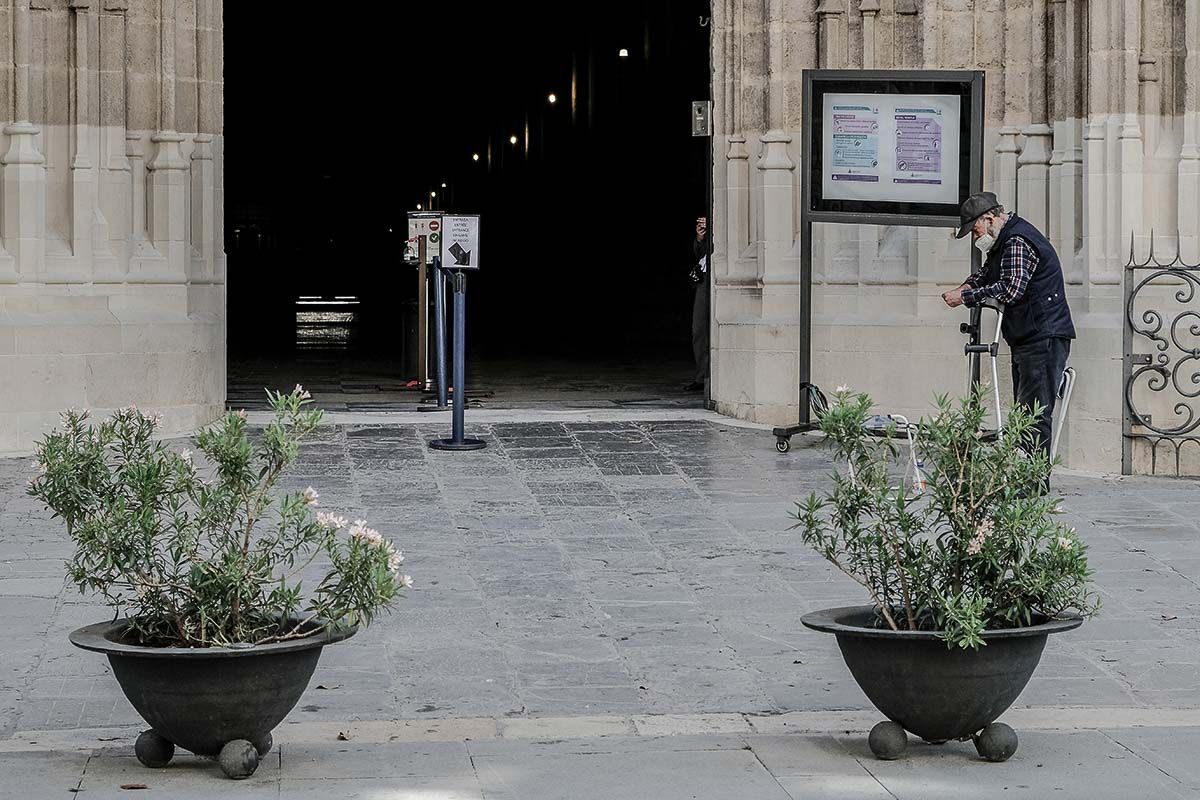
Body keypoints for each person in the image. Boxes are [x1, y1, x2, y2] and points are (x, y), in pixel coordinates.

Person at [942, 191, 1076, 466]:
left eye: (975, 230)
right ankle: (1027, 476)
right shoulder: (1005, 240)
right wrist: (968, 285)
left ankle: (1033, 481)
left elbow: (1011, 288)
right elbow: (990, 273)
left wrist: (966, 297)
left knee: (1034, 413)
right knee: (1027, 409)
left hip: (1043, 336)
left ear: (989, 218)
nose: (975, 237)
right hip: (1032, 336)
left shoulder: (1016, 241)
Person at [685, 216, 712, 392]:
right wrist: (701, 237)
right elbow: (700, 253)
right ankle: (702, 376)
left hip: (722, 277)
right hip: (704, 281)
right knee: (699, 329)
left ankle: (714, 378)